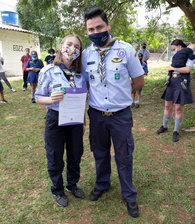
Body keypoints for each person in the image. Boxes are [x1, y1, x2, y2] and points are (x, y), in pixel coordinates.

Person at [82, 7, 144, 218]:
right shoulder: (86, 54)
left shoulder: (126, 50)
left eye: (99, 26)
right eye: (91, 29)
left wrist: (123, 96)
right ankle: (102, 184)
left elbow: (138, 80)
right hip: (97, 115)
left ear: (108, 26)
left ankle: (129, 195)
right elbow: (85, 84)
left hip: (120, 116)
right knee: (99, 153)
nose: (95, 31)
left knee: (124, 155)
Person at [35, 34, 86, 207]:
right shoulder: (48, 71)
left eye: (76, 47)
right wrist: (51, 99)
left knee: (75, 154)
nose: (72, 48)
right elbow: (38, 97)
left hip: (76, 119)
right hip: (55, 118)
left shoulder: (81, 74)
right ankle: (58, 189)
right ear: (61, 46)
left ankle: (72, 184)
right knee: (55, 156)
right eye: (69, 44)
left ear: (79, 52)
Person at [157, 39, 195, 142]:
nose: (174, 51)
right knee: (167, 105)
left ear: (179, 46)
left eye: (174, 49)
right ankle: (164, 127)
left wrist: (172, 68)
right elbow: (172, 68)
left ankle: (176, 131)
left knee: (178, 108)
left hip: (181, 81)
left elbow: (187, 70)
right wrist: (171, 70)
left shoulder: (190, 55)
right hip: (172, 81)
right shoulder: (177, 56)